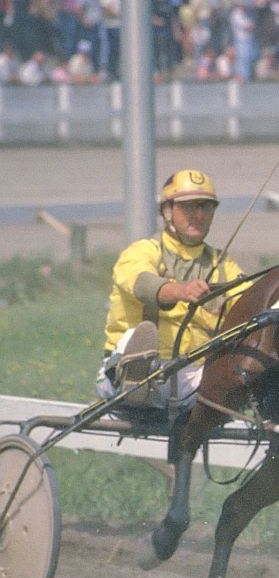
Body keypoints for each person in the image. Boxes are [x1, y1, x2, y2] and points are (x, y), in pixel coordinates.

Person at [97, 169, 244, 411]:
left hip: (193, 377)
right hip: (140, 367)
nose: (198, 215)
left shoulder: (223, 263)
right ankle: (135, 379)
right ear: (167, 212)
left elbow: (250, 299)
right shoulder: (144, 251)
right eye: (189, 207)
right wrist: (181, 291)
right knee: (136, 345)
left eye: (205, 207)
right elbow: (142, 283)